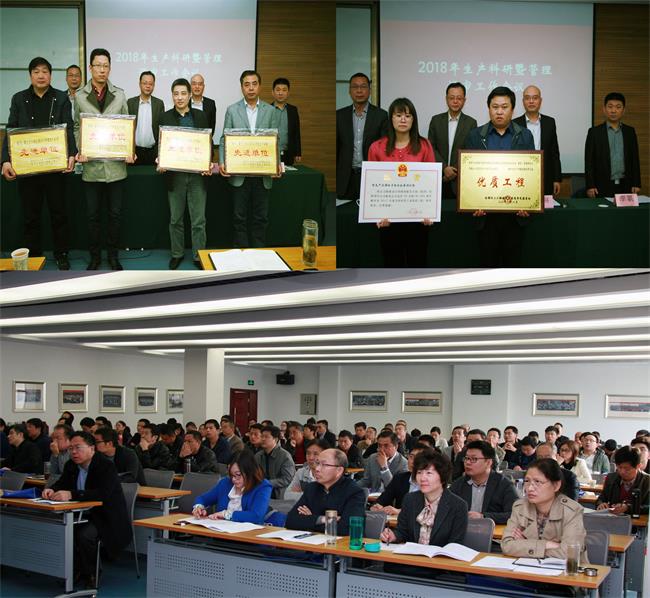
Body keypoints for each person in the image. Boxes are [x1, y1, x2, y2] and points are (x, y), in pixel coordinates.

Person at [1, 57, 76, 270]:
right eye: (36, 71)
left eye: (45, 71)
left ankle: (61, 253)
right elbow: (11, 129)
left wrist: (71, 154)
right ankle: (33, 256)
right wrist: (5, 160)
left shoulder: (61, 98)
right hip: (28, 169)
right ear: (30, 75)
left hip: (54, 168)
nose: (41, 75)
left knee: (59, 214)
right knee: (30, 216)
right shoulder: (19, 98)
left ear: (50, 75)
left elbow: (69, 128)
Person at [43, 431, 131, 589]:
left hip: (104, 516)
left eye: (78, 447)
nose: (73, 452)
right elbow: (62, 483)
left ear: (91, 448)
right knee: (62, 529)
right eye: (71, 448)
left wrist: (72, 494)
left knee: (84, 535)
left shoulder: (105, 466)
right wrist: (51, 489)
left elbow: (102, 494)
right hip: (79, 513)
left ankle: (91, 573)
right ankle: (74, 569)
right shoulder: (71, 465)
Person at [74, 48, 134, 271]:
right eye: (98, 65)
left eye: (106, 65)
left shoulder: (120, 94)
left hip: (116, 168)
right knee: (93, 216)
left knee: (115, 215)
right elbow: (76, 126)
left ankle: (113, 256)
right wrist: (81, 148)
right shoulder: (80, 96)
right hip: (92, 167)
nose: (102, 69)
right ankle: (95, 257)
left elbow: (127, 125)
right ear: (90, 68)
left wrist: (129, 149)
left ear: (110, 68)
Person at [463, 86, 535, 267]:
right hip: (485, 215)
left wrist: (528, 204)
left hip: (515, 215)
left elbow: (531, 173)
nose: (499, 112)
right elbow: (468, 176)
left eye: (504, 107)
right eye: (495, 107)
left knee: (513, 264)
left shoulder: (525, 135)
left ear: (513, 109)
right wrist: (472, 203)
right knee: (488, 264)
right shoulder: (475, 136)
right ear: (488, 109)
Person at [366, 97, 436, 267]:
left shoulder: (424, 145)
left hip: (417, 219)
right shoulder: (376, 147)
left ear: (413, 120)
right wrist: (376, 214)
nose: (403, 120)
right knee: (392, 264)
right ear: (391, 118)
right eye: (398, 115)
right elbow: (371, 185)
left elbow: (431, 182)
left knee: (417, 263)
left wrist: (430, 212)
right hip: (388, 220)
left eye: (408, 116)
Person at [219, 70, 281, 248]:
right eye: (247, 84)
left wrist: (276, 164)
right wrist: (222, 162)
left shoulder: (270, 111)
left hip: (263, 174)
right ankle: (242, 251)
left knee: (260, 217)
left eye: (254, 84)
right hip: (240, 174)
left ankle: (258, 251)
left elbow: (275, 140)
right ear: (242, 88)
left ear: (259, 86)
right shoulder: (232, 110)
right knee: (239, 217)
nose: (251, 88)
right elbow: (224, 139)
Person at [158, 78, 213, 269]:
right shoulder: (165, 117)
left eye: (183, 93)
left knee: (199, 220)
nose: (179, 97)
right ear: (172, 96)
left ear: (190, 95)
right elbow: (161, 145)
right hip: (175, 176)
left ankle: (199, 256)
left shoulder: (201, 116)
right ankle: (177, 253)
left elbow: (207, 143)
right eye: (176, 94)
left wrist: (207, 162)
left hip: (197, 176)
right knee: (175, 219)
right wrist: (161, 160)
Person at [501, 458, 587, 562]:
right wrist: (548, 544)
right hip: (526, 568)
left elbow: (570, 552)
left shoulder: (572, 511)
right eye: (527, 481)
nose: (530, 488)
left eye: (537, 482)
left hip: (567, 570)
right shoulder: (520, 507)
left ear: (556, 485)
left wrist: (526, 544)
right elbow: (507, 546)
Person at [380, 450, 468, 549]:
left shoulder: (458, 506)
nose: (422, 478)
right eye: (419, 472)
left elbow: (456, 544)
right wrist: (393, 536)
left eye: (429, 473)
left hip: (441, 558)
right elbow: (402, 531)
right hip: (411, 556)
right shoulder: (410, 499)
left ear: (443, 477)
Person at [286, 448, 366, 535]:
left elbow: (347, 529)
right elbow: (290, 521)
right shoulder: (312, 488)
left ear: (339, 470)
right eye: (317, 463)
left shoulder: (354, 492)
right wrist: (322, 519)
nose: (317, 468)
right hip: (313, 541)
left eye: (324, 465)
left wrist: (310, 520)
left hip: (342, 543)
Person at [336, 72, 388, 201]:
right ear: (349, 91)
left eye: (363, 86)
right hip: (346, 177)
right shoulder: (340, 115)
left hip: (371, 176)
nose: (359, 91)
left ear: (369, 90)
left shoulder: (381, 115)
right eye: (355, 87)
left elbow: (384, 149)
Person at [585, 92, 641, 198]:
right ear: (604, 109)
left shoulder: (630, 132)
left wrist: (636, 183)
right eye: (610, 106)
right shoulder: (594, 132)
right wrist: (590, 185)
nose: (613, 110)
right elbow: (589, 161)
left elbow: (635, 159)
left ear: (623, 110)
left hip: (626, 185)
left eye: (618, 107)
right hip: (601, 186)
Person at [191, 450, 272, 524]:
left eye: (238, 475)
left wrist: (226, 514)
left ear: (249, 472)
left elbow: (256, 516)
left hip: (249, 533)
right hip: (221, 531)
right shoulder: (225, 483)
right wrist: (199, 507)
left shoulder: (262, 486)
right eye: (231, 475)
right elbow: (202, 498)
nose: (233, 479)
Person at [427, 82, 478, 199]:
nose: (455, 101)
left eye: (459, 98)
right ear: (446, 99)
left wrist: (454, 171)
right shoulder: (436, 120)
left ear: (464, 100)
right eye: (452, 98)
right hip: (439, 177)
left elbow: (470, 151)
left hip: (460, 180)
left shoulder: (471, 123)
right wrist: (445, 168)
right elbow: (431, 147)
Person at [449, 440, 518, 524]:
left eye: (474, 459)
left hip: (493, 531)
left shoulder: (504, 484)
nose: (467, 463)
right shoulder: (459, 484)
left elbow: (515, 514)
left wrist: (483, 516)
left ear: (488, 462)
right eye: (466, 458)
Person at [512, 85, 562, 197]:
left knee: (545, 206)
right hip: (521, 176)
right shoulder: (514, 124)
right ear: (523, 101)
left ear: (540, 100)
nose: (531, 101)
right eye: (527, 98)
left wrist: (557, 179)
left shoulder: (550, 122)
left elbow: (554, 152)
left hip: (546, 176)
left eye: (535, 98)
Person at [371, 443, 429, 515]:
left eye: (418, 458)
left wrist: (399, 511)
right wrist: (377, 506)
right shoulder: (400, 478)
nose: (412, 461)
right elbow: (383, 499)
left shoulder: (431, 483)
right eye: (411, 457)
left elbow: (429, 510)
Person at [596, 445, 649, 515]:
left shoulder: (647, 481)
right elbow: (601, 498)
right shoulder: (611, 478)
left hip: (638, 520)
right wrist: (601, 504)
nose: (622, 472)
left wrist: (628, 508)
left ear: (638, 466)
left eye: (627, 469)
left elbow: (648, 507)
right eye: (619, 467)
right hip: (612, 518)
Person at [127, 70, 164, 166]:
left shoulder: (159, 104)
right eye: (145, 83)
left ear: (154, 85)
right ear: (139, 84)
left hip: (153, 152)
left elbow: (162, 129)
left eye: (151, 84)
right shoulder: (130, 103)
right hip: (134, 152)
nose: (148, 86)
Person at [254, 425, 295, 499]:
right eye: (262, 436)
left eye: (266, 437)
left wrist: (268, 483)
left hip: (279, 494)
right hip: (261, 492)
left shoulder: (285, 456)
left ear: (275, 439)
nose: (263, 439)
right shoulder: (258, 456)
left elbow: (287, 479)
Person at [270, 77, 301, 166]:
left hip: (288, 153)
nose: (281, 93)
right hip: (271, 152)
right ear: (272, 92)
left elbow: (296, 132)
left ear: (288, 93)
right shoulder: (267, 110)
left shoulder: (293, 110)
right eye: (278, 90)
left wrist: (298, 152)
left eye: (284, 90)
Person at [190, 73, 217, 141]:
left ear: (204, 87)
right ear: (190, 86)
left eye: (200, 84)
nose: (197, 86)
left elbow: (212, 128)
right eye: (194, 84)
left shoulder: (211, 104)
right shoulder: (184, 103)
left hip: (205, 141)